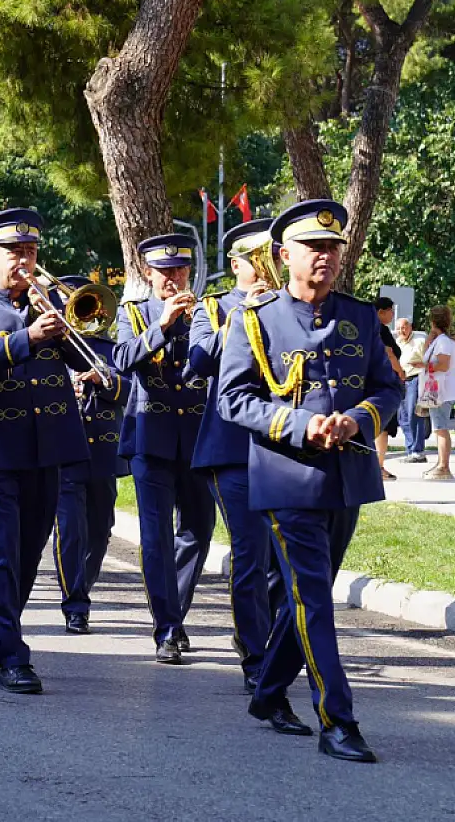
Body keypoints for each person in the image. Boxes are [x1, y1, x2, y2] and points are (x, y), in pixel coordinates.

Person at [217, 199, 401, 763]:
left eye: (332, 247)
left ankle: (269, 692)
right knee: (316, 599)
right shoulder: (255, 318)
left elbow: (388, 388)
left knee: (307, 599)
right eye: (313, 247)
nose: (325, 256)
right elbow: (232, 399)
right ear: (282, 255)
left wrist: (360, 417)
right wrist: (300, 425)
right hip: (287, 476)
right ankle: (337, 721)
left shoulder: (361, 316)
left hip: (347, 475)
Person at [0, 207, 90, 694]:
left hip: (47, 444)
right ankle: (12, 652)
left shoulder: (50, 305)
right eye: (15, 253)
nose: (25, 261)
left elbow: (85, 356)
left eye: (30, 251)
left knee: (29, 554)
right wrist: (27, 335)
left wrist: (63, 324)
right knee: (2, 552)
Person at [115, 232, 216, 665]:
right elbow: (121, 359)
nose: (173, 278)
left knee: (198, 530)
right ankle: (168, 629)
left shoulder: (208, 314)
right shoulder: (134, 313)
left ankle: (174, 610)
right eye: (164, 271)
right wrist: (161, 326)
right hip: (150, 437)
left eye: (180, 270)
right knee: (155, 538)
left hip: (197, 437)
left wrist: (196, 323)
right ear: (147, 273)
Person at [188, 218, 280, 691]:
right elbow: (198, 362)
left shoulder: (292, 305)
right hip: (231, 448)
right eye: (252, 261)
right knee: (250, 550)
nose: (262, 269)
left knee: (280, 559)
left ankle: (271, 638)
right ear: (235, 265)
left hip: (283, 446)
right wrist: (240, 316)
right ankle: (255, 654)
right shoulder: (215, 307)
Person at [51, 272, 124, 635]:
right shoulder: (52, 348)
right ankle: (75, 602)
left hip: (103, 450)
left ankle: (83, 585)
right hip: (65, 449)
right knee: (70, 530)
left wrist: (101, 378)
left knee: (100, 529)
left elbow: (127, 390)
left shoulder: (110, 350)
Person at [420, 305, 455, 481]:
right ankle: (440, 464)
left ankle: (444, 466)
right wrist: (428, 342)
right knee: (439, 427)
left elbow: (443, 365)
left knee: (440, 428)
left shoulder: (444, 341)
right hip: (440, 390)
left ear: (433, 321)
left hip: (441, 391)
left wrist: (423, 366)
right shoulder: (443, 340)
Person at [376, 297, 403, 480]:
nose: (393, 315)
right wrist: (400, 372)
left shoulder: (372, 328)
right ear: (381, 312)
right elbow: (389, 352)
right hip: (383, 381)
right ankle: (378, 467)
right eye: (391, 311)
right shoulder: (379, 329)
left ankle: (377, 466)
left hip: (378, 380)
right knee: (382, 426)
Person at [397, 318, 427, 463]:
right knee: (402, 417)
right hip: (401, 381)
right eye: (398, 328)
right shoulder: (397, 342)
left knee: (413, 415)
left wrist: (422, 364)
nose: (401, 331)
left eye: (404, 327)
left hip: (415, 378)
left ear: (410, 327)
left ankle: (418, 451)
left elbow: (430, 360)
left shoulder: (420, 340)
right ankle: (411, 450)